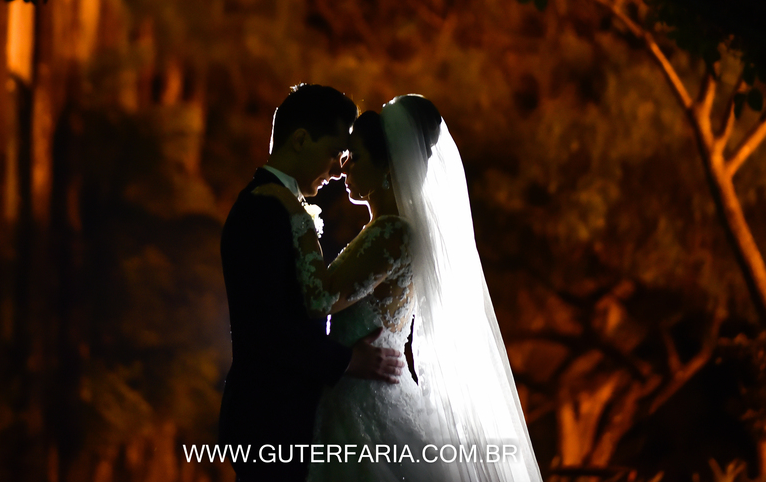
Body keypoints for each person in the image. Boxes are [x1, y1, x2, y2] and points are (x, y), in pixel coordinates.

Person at [258, 95, 541, 481]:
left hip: (361, 406)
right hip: (356, 395)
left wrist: (298, 217)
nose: (342, 168)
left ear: (387, 166)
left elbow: (321, 298)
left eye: (354, 157)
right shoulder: (385, 231)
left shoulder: (392, 233)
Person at [218, 83, 405, 482]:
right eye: (334, 152)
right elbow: (264, 328)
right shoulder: (261, 211)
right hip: (270, 420)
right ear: (301, 139)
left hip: (300, 419)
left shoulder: (280, 206)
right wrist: (348, 360)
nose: (340, 168)